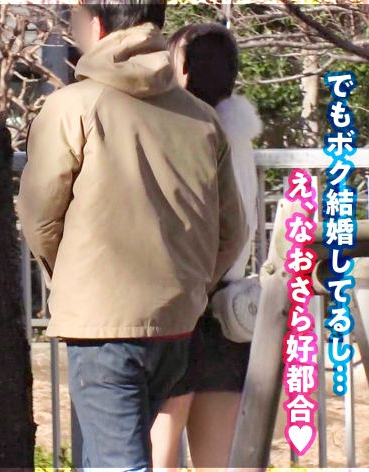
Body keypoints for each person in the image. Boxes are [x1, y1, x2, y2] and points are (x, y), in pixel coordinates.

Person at [16, 2, 248, 469]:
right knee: (121, 455)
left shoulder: (72, 106)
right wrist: (189, 285)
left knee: (116, 462)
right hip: (177, 323)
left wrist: (73, 280)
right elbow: (233, 231)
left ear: (96, 24)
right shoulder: (202, 118)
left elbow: (39, 217)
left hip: (103, 326)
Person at [150, 22, 263, 469]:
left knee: (160, 455)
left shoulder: (181, 133)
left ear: (182, 69)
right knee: (221, 462)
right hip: (228, 314)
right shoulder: (239, 137)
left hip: (180, 309)